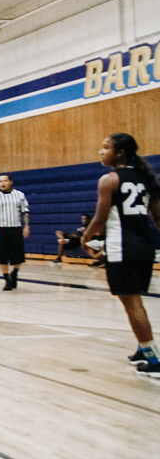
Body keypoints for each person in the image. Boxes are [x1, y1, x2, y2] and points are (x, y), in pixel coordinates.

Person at [80, 133, 160, 378]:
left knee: (132, 304)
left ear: (120, 153)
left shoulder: (109, 179)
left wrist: (85, 239)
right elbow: (158, 218)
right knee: (135, 302)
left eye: (106, 148)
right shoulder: (146, 178)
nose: (101, 152)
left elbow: (101, 218)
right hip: (144, 248)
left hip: (122, 249)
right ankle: (142, 348)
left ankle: (154, 360)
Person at [0, 174, 30, 290]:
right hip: (0, 228)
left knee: (18, 255)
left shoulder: (19, 195)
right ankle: (7, 279)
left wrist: (27, 226)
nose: (2, 183)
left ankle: (14, 272)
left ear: (10, 182)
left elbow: (25, 211)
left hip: (15, 228)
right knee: (2, 255)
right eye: (0, 181)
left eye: (5, 181)